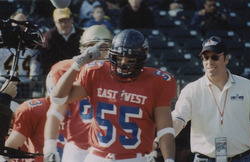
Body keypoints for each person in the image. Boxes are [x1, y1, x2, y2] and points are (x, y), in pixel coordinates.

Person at [44, 29, 177, 162]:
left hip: (134, 158)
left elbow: (165, 128)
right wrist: (78, 64)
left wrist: (169, 159)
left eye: (130, 60)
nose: (124, 64)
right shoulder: (96, 71)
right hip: (97, 155)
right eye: (119, 58)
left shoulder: (157, 82)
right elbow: (58, 98)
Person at [172, 36, 250, 162]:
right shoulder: (191, 90)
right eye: (205, 58)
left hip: (242, 158)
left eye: (215, 57)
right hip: (204, 159)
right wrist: (160, 139)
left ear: (226, 58)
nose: (209, 62)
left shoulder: (248, 87)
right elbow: (177, 121)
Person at [45, 25, 113, 162]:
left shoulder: (118, 72)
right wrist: (50, 146)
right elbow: (56, 110)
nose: (96, 51)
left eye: (102, 47)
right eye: (91, 45)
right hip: (77, 146)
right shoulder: (65, 70)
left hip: (109, 146)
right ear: (82, 47)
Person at [4, 97, 68, 162]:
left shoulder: (34, 109)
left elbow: (10, 147)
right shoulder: (33, 110)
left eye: (13, 118)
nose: (11, 122)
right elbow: (10, 147)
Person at [0, 11, 41, 98]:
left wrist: (33, 78)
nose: (21, 25)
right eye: (18, 22)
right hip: (4, 81)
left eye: (24, 22)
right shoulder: (3, 43)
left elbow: (35, 63)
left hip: (24, 83)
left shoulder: (30, 43)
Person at [39, 7, 84, 75]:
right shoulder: (49, 37)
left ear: (72, 19)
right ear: (55, 23)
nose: (63, 24)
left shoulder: (82, 35)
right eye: (60, 21)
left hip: (79, 72)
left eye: (66, 20)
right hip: (57, 73)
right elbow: (46, 61)